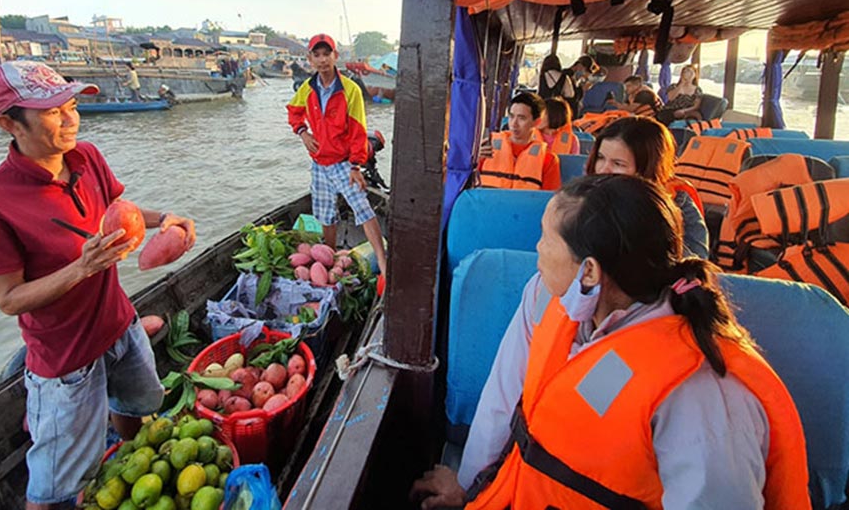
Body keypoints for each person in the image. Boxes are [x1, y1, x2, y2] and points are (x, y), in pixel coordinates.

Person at [411, 175, 810, 510]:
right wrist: (468, 488)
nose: (537, 249)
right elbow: (514, 405)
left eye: (546, 238)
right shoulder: (567, 311)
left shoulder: (701, 396)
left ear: (589, 273)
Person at [0, 61, 197, 510]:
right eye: (52, 112)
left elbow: (118, 208)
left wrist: (164, 220)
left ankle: (132, 458)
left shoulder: (86, 158)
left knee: (138, 406)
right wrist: (80, 269)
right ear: (10, 123)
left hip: (122, 326)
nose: (70, 119)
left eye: (70, 106)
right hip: (66, 362)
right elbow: (8, 299)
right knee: (54, 486)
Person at [287, 33, 388, 274]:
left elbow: (358, 131)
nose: (322, 60)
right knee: (325, 214)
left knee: (363, 209)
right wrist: (303, 132)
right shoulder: (307, 88)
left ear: (335, 56)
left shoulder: (350, 90)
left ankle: (384, 264)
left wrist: (356, 167)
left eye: (327, 54)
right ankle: (330, 259)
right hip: (319, 163)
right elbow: (293, 111)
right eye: (317, 55)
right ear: (310, 59)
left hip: (344, 163)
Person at [586, 115, 709, 259]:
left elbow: (695, 268)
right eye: (600, 158)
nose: (603, 170)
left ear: (646, 169)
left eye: (618, 164)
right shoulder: (582, 199)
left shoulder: (679, 204)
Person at [478, 92, 561, 191]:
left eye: (522, 118)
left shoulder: (548, 160)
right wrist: (472, 162)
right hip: (486, 205)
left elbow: (550, 200)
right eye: (511, 116)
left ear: (537, 122)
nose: (514, 124)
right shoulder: (486, 147)